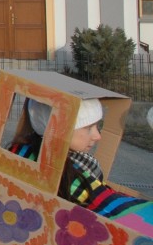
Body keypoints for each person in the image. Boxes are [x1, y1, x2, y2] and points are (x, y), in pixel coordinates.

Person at [9, 98, 152, 232]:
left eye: (97, 126)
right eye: (88, 128)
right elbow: (105, 207)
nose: (97, 136)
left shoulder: (21, 150)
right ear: (59, 129)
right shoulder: (71, 174)